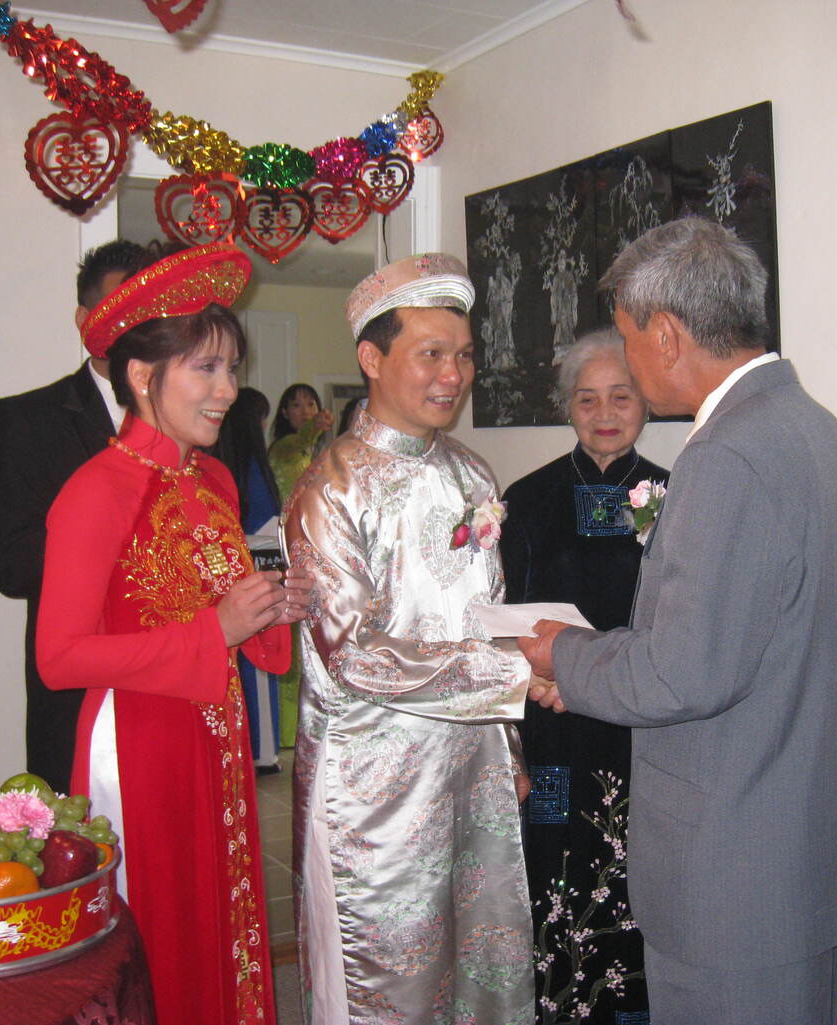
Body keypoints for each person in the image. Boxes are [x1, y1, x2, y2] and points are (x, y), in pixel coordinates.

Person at [520, 217, 837, 1024]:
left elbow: (682, 673)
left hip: (734, 871)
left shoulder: (727, 454)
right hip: (793, 849)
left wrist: (563, 652)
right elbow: (751, 644)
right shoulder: (814, 427)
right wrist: (589, 678)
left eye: (627, 338)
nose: (628, 362)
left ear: (667, 335)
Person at [36, 243, 312, 1025]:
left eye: (232, 368)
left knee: (221, 921)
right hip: (140, 747)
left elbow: (227, 616)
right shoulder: (94, 491)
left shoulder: (213, 480)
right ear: (140, 375)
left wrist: (270, 607)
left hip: (214, 736)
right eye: (206, 368)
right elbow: (58, 657)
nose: (228, 389)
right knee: (161, 938)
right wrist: (213, 628)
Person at [283, 253, 537, 1025]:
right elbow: (353, 654)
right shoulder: (330, 487)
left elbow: (487, 611)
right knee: (384, 982)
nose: (453, 375)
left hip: (473, 767)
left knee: (479, 967)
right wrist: (512, 676)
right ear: (372, 358)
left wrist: (510, 748)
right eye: (431, 353)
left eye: (463, 355)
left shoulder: (472, 475)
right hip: (373, 783)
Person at [500, 328, 667, 1023]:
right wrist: (515, 730)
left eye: (621, 396)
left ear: (645, 403)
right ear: (567, 405)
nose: (604, 413)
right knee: (554, 875)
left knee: (641, 884)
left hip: (642, 728)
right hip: (552, 727)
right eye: (587, 398)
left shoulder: (677, 495)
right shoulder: (526, 499)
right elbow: (502, 617)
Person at [0, 239, 148, 794]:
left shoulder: (194, 421)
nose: (138, 326)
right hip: (75, 685)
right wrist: (122, 559)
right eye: (121, 308)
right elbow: (10, 564)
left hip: (170, 682)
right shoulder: (29, 419)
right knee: (77, 836)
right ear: (85, 320)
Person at [212, 386, 282, 769]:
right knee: (258, 665)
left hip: (223, 578)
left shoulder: (214, 464)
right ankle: (262, 751)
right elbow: (267, 522)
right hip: (255, 571)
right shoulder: (252, 464)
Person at [268, 381, 336, 749]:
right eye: (296, 405)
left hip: (313, 549)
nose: (305, 411)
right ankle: (288, 730)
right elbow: (300, 440)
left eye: (310, 404)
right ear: (284, 413)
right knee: (293, 641)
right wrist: (316, 425)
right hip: (286, 551)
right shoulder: (284, 447)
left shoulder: (316, 452)